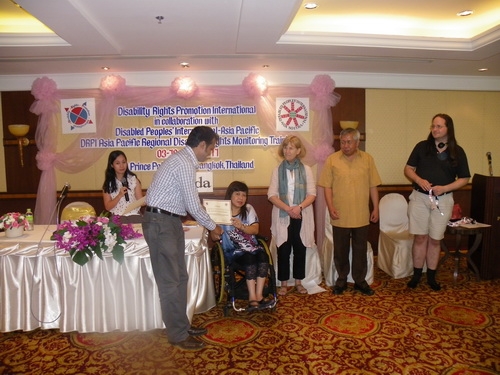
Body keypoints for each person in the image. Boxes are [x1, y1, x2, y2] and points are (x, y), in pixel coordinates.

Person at [142, 126, 223, 350]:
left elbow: (186, 205)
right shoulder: (184, 163)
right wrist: (213, 227)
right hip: (161, 224)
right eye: (210, 148)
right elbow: (193, 205)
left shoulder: (182, 161)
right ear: (201, 145)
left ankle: (182, 325)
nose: (210, 153)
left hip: (169, 222)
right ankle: (177, 334)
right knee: (170, 282)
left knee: (180, 278)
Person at [404, 113, 470, 291]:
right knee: (420, 237)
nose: (435, 129)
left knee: (434, 240)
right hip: (419, 198)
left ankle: (431, 277)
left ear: (448, 128)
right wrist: (419, 180)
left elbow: (464, 178)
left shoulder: (458, 151)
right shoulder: (421, 147)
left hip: (443, 200)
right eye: (433, 126)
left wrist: (446, 188)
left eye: (439, 126)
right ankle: (417, 274)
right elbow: (408, 169)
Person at [318, 127, 381, 296]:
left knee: (360, 250)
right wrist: (330, 207)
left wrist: (376, 207)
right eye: (342, 142)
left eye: (348, 142)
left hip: (361, 214)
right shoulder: (332, 160)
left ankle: (360, 281)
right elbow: (327, 187)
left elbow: (373, 185)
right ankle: (341, 280)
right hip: (340, 214)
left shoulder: (367, 159)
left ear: (357, 142)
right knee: (341, 250)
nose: (345, 145)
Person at [268, 135, 316, 296]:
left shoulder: (306, 170)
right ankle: (283, 284)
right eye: (285, 147)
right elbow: (272, 195)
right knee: (283, 249)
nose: (287, 151)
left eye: (291, 148)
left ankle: (298, 282)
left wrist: (299, 208)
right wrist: (289, 209)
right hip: (283, 215)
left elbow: (312, 194)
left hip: (302, 215)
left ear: (298, 151)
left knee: (300, 249)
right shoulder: (277, 170)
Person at [220, 181, 274, 311]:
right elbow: (214, 237)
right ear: (230, 195)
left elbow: (255, 230)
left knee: (262, 256)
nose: (241, 198)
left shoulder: (248, 209)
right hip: (233, 251)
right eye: (237, 194)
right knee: (249, 259)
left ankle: (259, 295)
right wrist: (214, 228)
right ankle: (252, 297)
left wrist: (242, 227)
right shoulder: (221, 211)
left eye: (244, 195)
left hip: (251, 247)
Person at [102, 150, 144, 216]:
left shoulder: (133, 180)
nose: (121, 166)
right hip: (117, 217)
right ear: (112, 165)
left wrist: (150, 197)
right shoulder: (108, 184)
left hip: (134, 215)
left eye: (123, 162)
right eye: (117, 163)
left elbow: (141, 201)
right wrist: (119, 196)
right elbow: (108, 207)